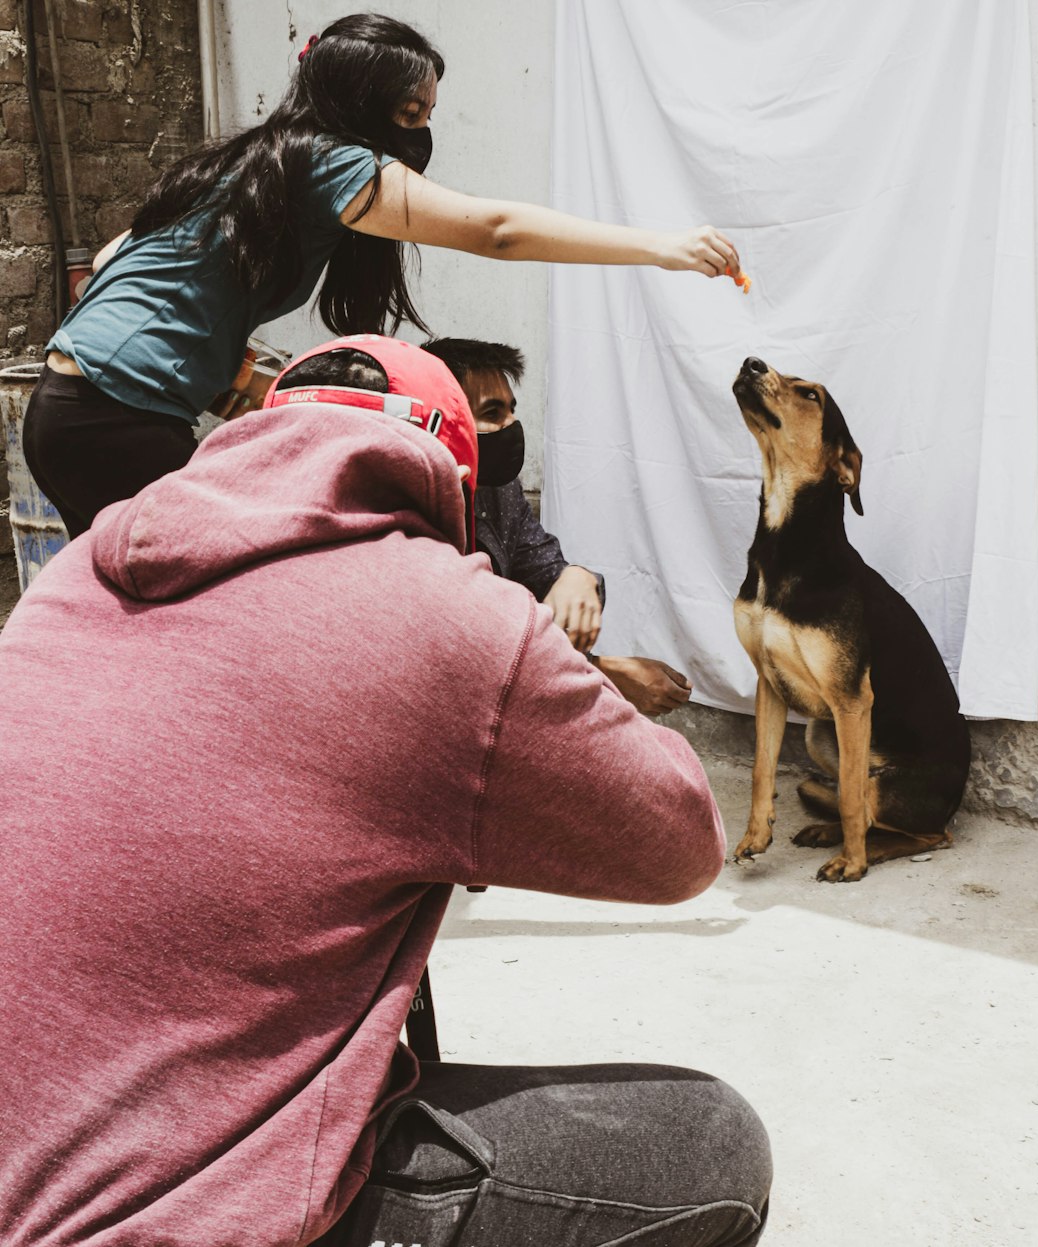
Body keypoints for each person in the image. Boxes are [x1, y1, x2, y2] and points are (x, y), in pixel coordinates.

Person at [0, 334, 770, 1246]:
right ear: (443, 469)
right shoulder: (446, 613)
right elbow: (681, 841)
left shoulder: (70, 582)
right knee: (713, 1146)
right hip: (152, 1214)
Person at [21, 11, 745, 540]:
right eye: (408, 112)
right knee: (222, 607)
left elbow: (110, 263)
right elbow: (496, 232)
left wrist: (226, 374)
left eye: (428, 113)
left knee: (144, 611)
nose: (421, 132)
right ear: (359, 103)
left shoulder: (255, 159)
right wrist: (663, 247)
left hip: (66, 410)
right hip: (116, 419)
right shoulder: (329, 159)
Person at [423, 336, 694, 717]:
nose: (511, 425)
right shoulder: (417, 510)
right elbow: (470, 652)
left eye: (511, 410)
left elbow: (544, 573)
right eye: (493, 412)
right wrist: (605, 674)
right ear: (447, 422)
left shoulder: (501, 491)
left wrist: (578, 578)